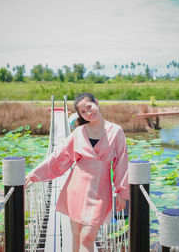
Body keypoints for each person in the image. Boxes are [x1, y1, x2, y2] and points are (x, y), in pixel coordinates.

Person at [25, 92, 130, 252]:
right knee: (77, 236)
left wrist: (122, 192)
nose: (89, 113)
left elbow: (121, 162)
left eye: (90, 107)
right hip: (76, 190)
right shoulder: (78, 133)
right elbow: (58, 158)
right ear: (80, 115)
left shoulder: (116, 131)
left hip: (100, 192)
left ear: (97, 102)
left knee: (87, 239)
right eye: (83, 112)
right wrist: (33, 175)